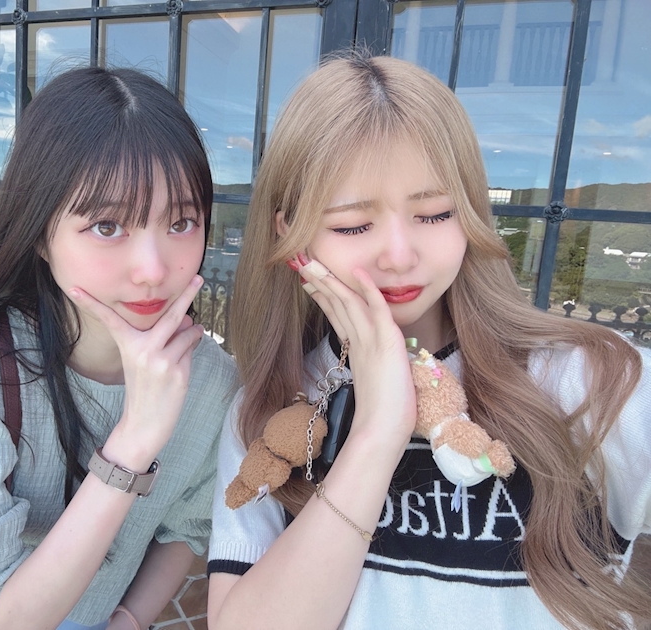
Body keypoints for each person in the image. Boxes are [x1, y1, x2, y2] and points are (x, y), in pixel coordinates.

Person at [206, 53, 651, 630]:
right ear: (289, 232)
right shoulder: (271, 414)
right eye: (352, 224)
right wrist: (377, 432)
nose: (399, 255)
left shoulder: (596, 382)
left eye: (436, 213)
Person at [0, 66, 238, 630]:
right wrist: (135, 440)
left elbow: (184, 527)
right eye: (108, 226)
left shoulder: (211, 380)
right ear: (41, 233)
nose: (152, 269)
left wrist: (129, 618)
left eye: (181, 222)